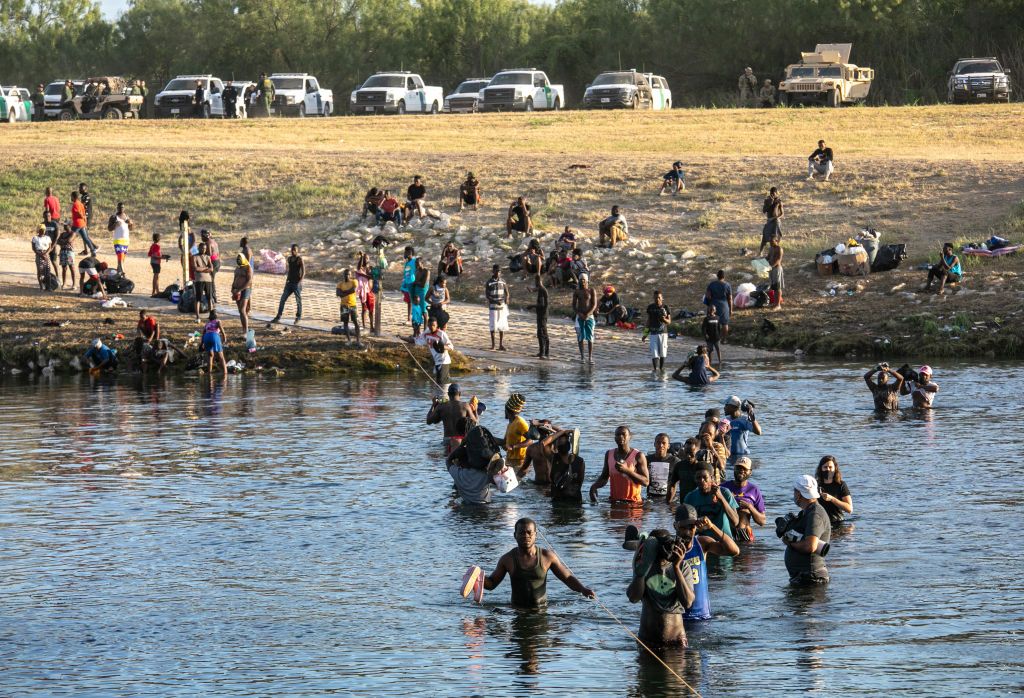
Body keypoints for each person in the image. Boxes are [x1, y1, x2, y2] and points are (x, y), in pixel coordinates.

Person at [477, 518, 595, 608]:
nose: (526, 536)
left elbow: (567, 577)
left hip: (541, 610)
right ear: (515, 535)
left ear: (536, 535)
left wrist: (582, 589)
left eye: (529, 533)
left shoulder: (547, 557)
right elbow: (492, 584)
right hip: (518, 611)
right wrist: (476, 577)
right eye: (521, 532)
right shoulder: (507, 559)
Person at [671, 503, 740, 622]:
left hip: (703, 616)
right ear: (675, 526)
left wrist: (712, 527)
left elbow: (734, 551)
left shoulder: (702, 544)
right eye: (683, 527)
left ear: (696, 527)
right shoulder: (669, 549)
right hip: (678, 619)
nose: (688, 532)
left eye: (691, 527)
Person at [626, 527, 694, 647]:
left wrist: (676, 567)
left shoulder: (683, 566)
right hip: (647, 638)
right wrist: (640, 571)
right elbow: (634, 597)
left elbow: (688, 602)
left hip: (676, 639)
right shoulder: (644, 566)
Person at [782, 475, 832, 586]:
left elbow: (810, 546)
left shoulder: (815, 514)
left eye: (795, 491)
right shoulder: (807, 512)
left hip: (811, 579)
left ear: (799, 494)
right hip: (804, 577)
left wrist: (790, 543)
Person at [589, 426, 649, 505]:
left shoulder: (638, 455)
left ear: (629, 437)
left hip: (634, 503)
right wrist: (593, 487)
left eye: (624, 434)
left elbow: (646, 482)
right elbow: (604, 478)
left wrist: (627, 471)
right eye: (618, 434)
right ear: (615, 438)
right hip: (614, 502)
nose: (620, 436)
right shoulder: (609, 454)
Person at [683, 464, 740, 540]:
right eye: (698, 478)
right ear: (694, 479)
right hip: (702, 541)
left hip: (723, 540)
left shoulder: (724, 493)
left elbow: (735, 522)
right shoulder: (690, 497)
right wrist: (695, 522)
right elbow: (684, 525)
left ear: (712, 478)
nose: (701, 480)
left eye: (705, 477)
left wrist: (721, 498)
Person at [722, 457, 766, 541]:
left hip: (745, 534)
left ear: (750, 472)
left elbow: (762, 522)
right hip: (726, 533)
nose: (741, 470)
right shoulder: (723, 487)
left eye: (745, 469)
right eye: (738, 468)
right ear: (734, 469)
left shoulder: (754, 490)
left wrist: (750, 507)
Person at [427, 383, 479, 455]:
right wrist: (475, 410)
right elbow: (475, 423)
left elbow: (428, 421)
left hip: (447, 441)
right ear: (460, 394)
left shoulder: (441, 406)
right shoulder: (465, 406)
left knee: (447, 458)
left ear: (448, 394)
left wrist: (433, 405)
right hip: (461, 441)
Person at [270, 244, 304, 324]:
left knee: (298, 301)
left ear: (297, 250)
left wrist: (300, 282)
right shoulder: (289, 259)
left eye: (295, 250)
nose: (293, 251)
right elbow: (289, 271)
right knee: (282, 299)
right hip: (289, 283)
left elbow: (303, 271)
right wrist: (286, 281)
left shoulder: (299, 259)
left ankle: (298, 317)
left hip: (296, 284)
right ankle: (278, 316)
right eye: (292, 249)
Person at [723, 395, 761, 465]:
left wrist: (752, 417)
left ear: (733, 407)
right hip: (729, 456)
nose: (724, 408)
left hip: (743, 456)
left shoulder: (744, 420)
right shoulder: (725, 420)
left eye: (726, 405)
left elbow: (758, 432)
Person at [815, 455, 853, 525]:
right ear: (820, 469)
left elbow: (849, 509)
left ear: (835, 468)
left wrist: (832, 499)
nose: (828, 469)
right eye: (825, 467)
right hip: (820, 522)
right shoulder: (815, 484)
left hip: (837, 521)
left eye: (830, 467)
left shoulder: (841, 485)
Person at [549, 433, 585, 501]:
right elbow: (580, 482)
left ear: (557, 446)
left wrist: (562, 431)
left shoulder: (553, 458)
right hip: (574, 500)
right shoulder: (580, 461)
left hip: (559, 501)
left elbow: (544, 443)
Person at [418, 315, 453, 385]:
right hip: (436, 361)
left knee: (441, 382)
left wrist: (442, 346)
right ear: (428, 325)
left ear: (436, 325)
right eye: (430, 325)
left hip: (444, 361)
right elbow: (416, 340)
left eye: (434, 325)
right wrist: (401, 337)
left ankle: (445, 394)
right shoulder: (426, 333)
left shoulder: (441, 334)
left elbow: (451, 347)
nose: (432, 327)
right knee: (439, 381)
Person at [665, 438, 700, 506]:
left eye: (691, 453)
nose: (688, 456)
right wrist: (668, 503)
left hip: (699, 504)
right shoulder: (679, 466)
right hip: (684, 503)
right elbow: (672, 485)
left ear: (698, 451)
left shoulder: (703, 467)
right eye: (686, 452)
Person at [572, 276, 598, 364]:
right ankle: (582, 357)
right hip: (579, 316)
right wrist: (579, 314)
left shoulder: (591, 291)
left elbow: (594, 305)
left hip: (589, 316)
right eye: (580, 280)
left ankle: (590, 357)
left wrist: (587, 314)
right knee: (580, 336)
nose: (582, 281)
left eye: (584, 280)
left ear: (587, 281)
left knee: (590, 336)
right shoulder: (577, 292)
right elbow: (573, 305)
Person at [502, 393, 530, 472]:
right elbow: (504, 442)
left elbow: (530, 440)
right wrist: (489, 438)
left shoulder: (520, 423)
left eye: (505, 409)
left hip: (520, 461)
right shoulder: (510, 423)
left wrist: (514, 446)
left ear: (508, 410)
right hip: (510, 459)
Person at [646, 433, 678, 500]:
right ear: (654, 444)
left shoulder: (675, 461)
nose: (661, 445)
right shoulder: (647, 459)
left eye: (664, 443)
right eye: (658, 442)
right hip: (650, 497)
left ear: (668, 446)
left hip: (668, 497)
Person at [335, 268, 362, 347]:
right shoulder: (340, 284)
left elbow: (353, 290)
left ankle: (358, 341)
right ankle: (349, 340)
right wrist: (344, 293)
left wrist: (343, 292)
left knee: (356, 323)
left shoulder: (354, 281)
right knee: (345, 323)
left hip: (352, 305)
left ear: (351, 275)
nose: (347, 276)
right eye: (345, 274)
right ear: (343, 275)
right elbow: (338, 293)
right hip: (343, 306)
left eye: (348, 274)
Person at [646, 290, 671, 372]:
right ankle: (655, 370)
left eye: (659, 297)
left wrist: (664, 318)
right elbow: (648, 321)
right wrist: (645, 334)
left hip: (663, 333)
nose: (657, 299)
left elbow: (669, 321)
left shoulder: (665, 307)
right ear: (653, 298)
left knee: (663, 353)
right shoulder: (650, 307)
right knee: (654, 353)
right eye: (656, 297)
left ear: (662, 298)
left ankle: (661, 369)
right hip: (653, 333)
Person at [485, 264, 509, 351]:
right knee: (493, 326)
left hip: (502, 306)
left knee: (501, 325)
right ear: (493, 271)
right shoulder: (489, 282)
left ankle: (501, 345)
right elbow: (487, 295)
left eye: (499, 271)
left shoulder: (503, 281)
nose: (497, 273)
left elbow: (507, 292)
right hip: (493, 307)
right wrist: (495, 301)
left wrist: (507, 299)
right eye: (496, 271)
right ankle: (493, 345)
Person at [704, 270, 733, 341]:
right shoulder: (727, 285)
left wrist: (709, 305)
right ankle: (724, 339)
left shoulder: (712, 284)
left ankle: (714, 338)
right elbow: (730, 299)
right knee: (725, 323)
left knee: (712, 322)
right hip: (724, 306)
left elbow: (708, 296)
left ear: (717, 276)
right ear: (724, 276)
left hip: (713, 305)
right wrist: (731, 309)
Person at [192, 242, 215, 322]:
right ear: (198, 248)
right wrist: (206, 269)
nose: (203, 250)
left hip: (208, 280)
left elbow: (211, 269)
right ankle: (197, 316)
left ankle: (211, 316)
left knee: (209, 298)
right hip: (199, 280)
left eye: (205, 248)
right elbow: (195, 268)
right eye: (202, 248)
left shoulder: (208, 257)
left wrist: (201, 269)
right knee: (198, 298)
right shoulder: (195, 257)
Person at [231, 253, 253, 335]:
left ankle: (246, 331)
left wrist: (240, 289)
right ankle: (244, 328)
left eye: (240, 259)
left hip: (245, 290)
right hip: (237, 291)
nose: (238, 261)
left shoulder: (248, 268)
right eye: (237, 260)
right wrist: (233, 289)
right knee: (240, 311)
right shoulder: (237, 269)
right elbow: (235, 279)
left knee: (242, 310)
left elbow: (249, 281)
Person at [71, 189, 96, 255]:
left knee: (70, 236)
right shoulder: (81, 204)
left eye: (71, 197)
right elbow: (84, 213)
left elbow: (79, 213)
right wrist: (84, 221)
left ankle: (68, 250)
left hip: (77, 224)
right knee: (86, 238)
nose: (71, 198)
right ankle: (93, 251)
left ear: (74, 197)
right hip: (82, 224)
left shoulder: (75, 204)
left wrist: (81, 217)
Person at [202, 310, 227, 375]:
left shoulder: (207, 324)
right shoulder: (218, 321)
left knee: (210, 356)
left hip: (206, 337)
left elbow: (203, 333)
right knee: (221, 356)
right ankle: (225, 373)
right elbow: (222, 330)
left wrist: (202, 343)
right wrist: (224, 337)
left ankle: (209, 373)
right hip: (214, 336)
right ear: (216, 316)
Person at [760, 187, 784, 256]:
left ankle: (775, 252)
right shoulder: (767, 200)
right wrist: (770, 203)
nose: (772, 195)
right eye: (771, 194)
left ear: (776, 193)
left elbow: (782, 214)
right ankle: (760, 252)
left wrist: (775, 218)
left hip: (776, 221)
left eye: (773, 194)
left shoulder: (779, 201)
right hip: (769, 221)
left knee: (776, 237)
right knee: (765, 236)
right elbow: (764, 211)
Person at [109, 202, 131, 274]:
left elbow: (131, 228)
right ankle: (123, 274)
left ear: (124, 208)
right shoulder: (114, 217)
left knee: (122, 260)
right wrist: (115, 224)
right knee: (120, 259)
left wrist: (131, 223)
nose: (121, 209)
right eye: (119, 207)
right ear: (117, 208)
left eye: (122, 207)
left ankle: (118, 275)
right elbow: (109, 228)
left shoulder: (127, 217)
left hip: (126, 240)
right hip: (118, 240)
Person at [532, 274, 550, 359]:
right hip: (542, 314)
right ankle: (542, 352)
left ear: (538, 281)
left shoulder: (542, 290)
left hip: (542, 315)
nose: (535, 283)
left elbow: (542, 304)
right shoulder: (541, 289)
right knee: (541, 333)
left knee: (542, 333)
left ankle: (545, 353)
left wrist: (532, 306)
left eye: (535, 281)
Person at [31, 224, 53, 290]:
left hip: (46, 254)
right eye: (41, 229)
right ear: (38, 230)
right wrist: (40, 255)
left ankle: (48, 286)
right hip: (39, 254)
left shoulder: (48, 238)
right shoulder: (35, 238)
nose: (43, 231)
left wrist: (45, 254)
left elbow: (50, 247)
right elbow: (34, 248)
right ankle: (41, 286)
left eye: (43, 229)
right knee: (40, 271)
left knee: (48, 271)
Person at [201, 230, 221, 303]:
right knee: (211, 280)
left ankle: (213, 298)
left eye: (202, 236)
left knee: (210, 280)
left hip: (213, 263)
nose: (201, 238)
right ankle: (212, 297)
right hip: (217, 262)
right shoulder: (213, 241)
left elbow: (209, 254)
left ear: (205, 236)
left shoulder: (208, 243)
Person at [55, 224, 77, 289]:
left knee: (72, 267)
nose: (65, 227)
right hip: (62, 251)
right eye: (64, 226)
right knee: (64, 268)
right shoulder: (63, 234)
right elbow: (58, 241)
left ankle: (74, 284)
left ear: (70, 226)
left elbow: (69, 240)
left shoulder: (73, 233)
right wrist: (64, 241)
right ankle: (64, 284)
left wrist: (62, 241)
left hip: (70, 252)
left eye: (66, 226)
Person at [767, 232, 784, 308]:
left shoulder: (779, 249)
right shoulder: (771, 248)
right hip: (771, 268)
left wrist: (771, 266)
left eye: (772, 242)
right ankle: (775, 302)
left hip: (776, 269)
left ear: (776, 241)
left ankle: (778, 305)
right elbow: (768, 257)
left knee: (777, 287)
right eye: (770, 242)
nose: (770, 243)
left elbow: (778, 260)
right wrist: (759, 262)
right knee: (773, 286)